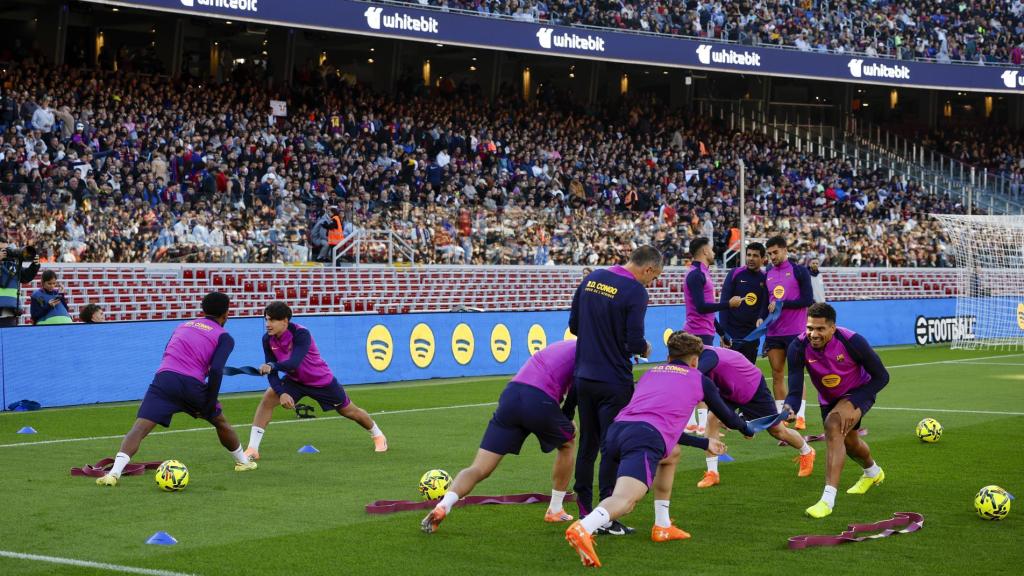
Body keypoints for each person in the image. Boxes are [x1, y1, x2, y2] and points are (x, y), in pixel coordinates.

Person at [564, 332, 753, 567]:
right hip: (643, 438)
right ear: (695, 360)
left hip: (617, 432)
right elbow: (727, 416)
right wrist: (746, 428)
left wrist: (705, 443)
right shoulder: (699, 379)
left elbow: (661, 430)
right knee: (626, 500)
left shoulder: (650, 373)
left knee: (671, 454)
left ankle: (662, 526)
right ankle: (583, 528)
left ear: (669, 356)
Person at [96, 292, 256, 486]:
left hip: (164, 380)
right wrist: (209, 402)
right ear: (226, 314)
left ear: (203, 309)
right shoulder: (224, 337)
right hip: (191, 385)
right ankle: (243, 462)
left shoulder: (182, 326)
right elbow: (216, 370)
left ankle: (113, 474)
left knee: (139, 428)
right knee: (220, 422)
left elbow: (168, 351)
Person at [421, 340, 579, 533]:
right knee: (567, 444)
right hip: (538, 398)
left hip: (511, 394)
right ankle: (555, 509)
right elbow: (578, 388)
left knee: (479, 468)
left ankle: (444, 504)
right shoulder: (590, 349)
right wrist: (567, 417)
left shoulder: (566, 345)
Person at [568, 245, 662, 535]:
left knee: (587, 446)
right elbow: (634, 341)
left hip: (584, 376)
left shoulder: (592, 278)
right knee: (611, 448)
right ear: (648, 268)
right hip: (613, 380)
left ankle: (584, 511)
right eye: (654, 277)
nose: (652, 283)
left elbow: (574, 326)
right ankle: (605, 518)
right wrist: (644, 348)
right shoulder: (635, 291)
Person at [784, 303, 889, 518]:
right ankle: (873, 472)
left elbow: (882, 377)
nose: (814, 334)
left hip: (859, 392)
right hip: (828, 399)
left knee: (833, 425)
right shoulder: (797, 346)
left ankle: (827, 500)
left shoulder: (852, 341)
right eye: (810, 328)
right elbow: (794, 389)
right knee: (849, 444)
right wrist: (789, 408)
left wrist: (855, 402)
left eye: (820, 329)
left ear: (833, 328)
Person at [245, 301, 386, 459]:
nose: (267, 324)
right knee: (268, 399)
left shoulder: (301, 333)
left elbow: (293, 363)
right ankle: (252, 449)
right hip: (295, 381)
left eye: (272, 320)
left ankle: (378, 435)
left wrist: (272, 365)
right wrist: (281, 392)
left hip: (320, 381)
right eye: (266, 319)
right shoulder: (267, 339)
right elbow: (272, 374)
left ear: (284, 321)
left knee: (349, 411)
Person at [694, 343, 815, 488]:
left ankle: (807, 451)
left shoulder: (708, 356)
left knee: (777, 431)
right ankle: (712, 473)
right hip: (728, 389)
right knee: (712, 419)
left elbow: (693, 377)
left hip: (753, 387)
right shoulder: (695, 356)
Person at [683, 237, 741, 435]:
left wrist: (722, 332)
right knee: (700, 379)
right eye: (711, 248)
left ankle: (694, 423)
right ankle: (697, 423)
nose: (714, 252)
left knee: (700, 377)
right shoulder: (696, 274)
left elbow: (707, 312)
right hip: (697, 333)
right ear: (704, 251)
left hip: (703, 332)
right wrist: (728, 304)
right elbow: (701, 307)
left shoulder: (702, 273)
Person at [764, 236, 813, 430]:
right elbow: (766, 301)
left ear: (785, 250)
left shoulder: (799, 271)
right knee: (777, 374)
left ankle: (800, 416)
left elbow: (807, 300)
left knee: (796, 373)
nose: (772, 256)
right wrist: (760, 317)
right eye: (769, 254)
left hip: (795, 332)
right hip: (773, 332)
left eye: (775, 252)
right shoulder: (767, 273)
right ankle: (781, 417)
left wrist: (782, 304)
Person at [719, 242, 768, 364]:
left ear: (763, 259)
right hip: (731, 336)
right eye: (749, 255)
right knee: (727, 373)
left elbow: (765, 305)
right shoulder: (735, 273)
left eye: (755, 256)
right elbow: (724, 304)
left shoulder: (766, 278)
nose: (751, 258)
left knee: (748, 373)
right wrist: (723, 334)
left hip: (752, 336)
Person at [0, 245, 40, 327]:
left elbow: (25, 277)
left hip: (9, 310)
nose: (6, 252)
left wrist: (35, 265)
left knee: (9, 333)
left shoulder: (14, 265)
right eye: (2, 250)